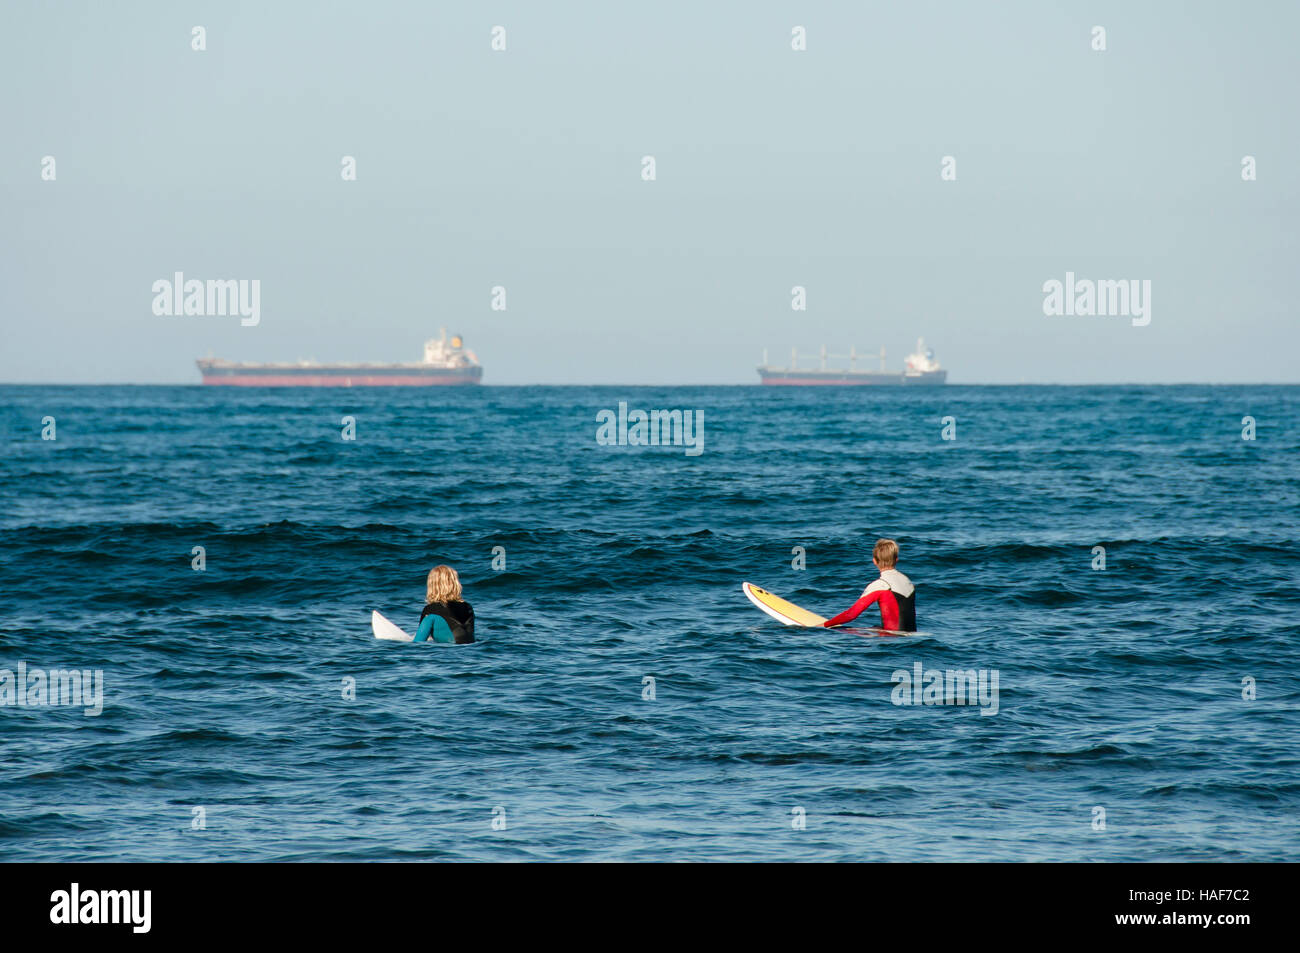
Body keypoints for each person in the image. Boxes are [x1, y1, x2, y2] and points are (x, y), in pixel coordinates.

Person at [822, 538, 917, 632]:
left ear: (874, 561)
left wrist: (823, 625)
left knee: (840, 630)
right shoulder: (908, 582)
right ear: (896, 560)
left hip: (892, 638)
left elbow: (851, 615)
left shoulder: (880, 585)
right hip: (911, 637)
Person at [414, 565, 476, 644]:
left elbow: (418, 642)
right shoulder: (468, 607)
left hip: (447, 653)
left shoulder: (430, 610)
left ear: (432, 585)